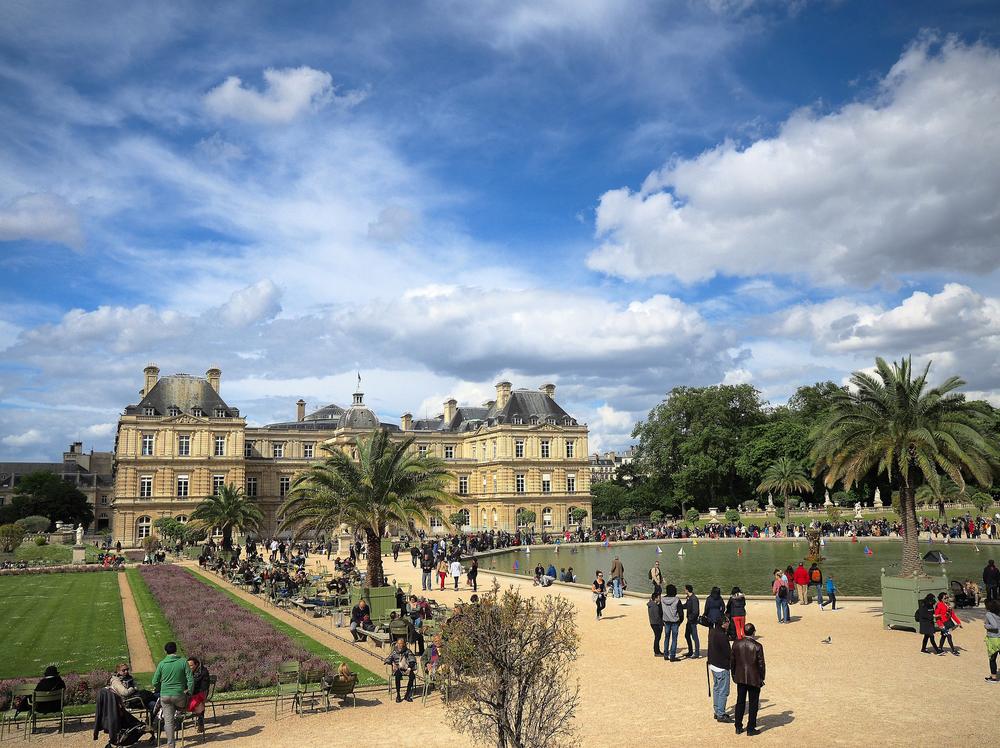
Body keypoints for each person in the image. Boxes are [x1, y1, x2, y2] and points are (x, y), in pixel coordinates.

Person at [151, 642, 194, 748]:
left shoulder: (162, 664)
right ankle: (179, 717)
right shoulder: (183, 662)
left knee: (168, 721)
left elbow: (154, 682)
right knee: (181, 708)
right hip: (179, 696)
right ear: (176, 650)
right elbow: (190, 679)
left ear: (165, 651)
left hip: (165, 696)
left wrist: (162, 687)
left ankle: (171, 744)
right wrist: (189, 691)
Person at [730, 622, 765, 736]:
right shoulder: (757, 646)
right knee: (753, 703)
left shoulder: (736, 644)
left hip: (740, 677)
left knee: (740, 702)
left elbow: (733, 662)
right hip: (754, 678)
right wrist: (761, 677)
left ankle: (738, 727)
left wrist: (734, 675)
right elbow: (761, 664)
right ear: (754, 632)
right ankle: (750, 728)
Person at [708, 616, 732, 723]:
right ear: (723, 623)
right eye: (727, 622)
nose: (729, 624)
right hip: (722, 667)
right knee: (723, 691)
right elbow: (728, 653)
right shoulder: (722, 636)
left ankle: (717, 710)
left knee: (716, 689)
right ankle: (721, 714)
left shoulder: (712, 632)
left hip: (713, 665)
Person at [384, 638, 417, 702]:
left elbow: (412, 660)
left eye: (401, 643)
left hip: (407, 668)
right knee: (397, 676)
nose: (399, 645)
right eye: (398, 643)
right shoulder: (394, 652)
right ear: (397, 644)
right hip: (398, 669)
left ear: (404, 644)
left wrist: (409, 668)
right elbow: (387, 660)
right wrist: (392, 663)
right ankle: (398, 695)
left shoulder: (408, 651)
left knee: (412, 676)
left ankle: (407, 694)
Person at [186, 657, 210, 733]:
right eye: (188, 666)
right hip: (192, 692)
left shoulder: (203, 672)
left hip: (201, 692)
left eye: (191, 665)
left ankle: (201, 724)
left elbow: (202, 686)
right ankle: (178, 722)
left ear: (196, 664)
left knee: (199, 701)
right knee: (178, 698)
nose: (189, 668)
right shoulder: (190, 672)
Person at [661, 584, 683, 662]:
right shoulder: (677, 600)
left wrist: (662, 620)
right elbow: (681, 613)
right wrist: (680, 621)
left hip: (666, 621)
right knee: (674, 639)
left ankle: (665, 654)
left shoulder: (662, 599)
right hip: (675, 622)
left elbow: (660, 611)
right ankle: (672, 656)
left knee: (666, 638)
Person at [984, 598, 1000, 682]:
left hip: (994, 639)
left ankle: (993, 677)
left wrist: (986, 626)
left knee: (992, 659)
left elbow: (994, 626)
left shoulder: (989, 614)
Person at [683, 584, 701, 659]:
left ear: (687, 590)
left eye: (685, 589)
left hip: (692, 621)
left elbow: (696, 611)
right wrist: (678, 606)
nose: (684, 590)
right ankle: (690, 651)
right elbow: (686, 606)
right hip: (690, 620)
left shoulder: (693, 599)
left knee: (694, 637)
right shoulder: (689, 598)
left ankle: (696, 653)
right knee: (687, 635)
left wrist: (691, 619)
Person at [647, 591, 664, 657]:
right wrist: (662, 623)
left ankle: (657, 651)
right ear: (656, 598)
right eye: (659, 597)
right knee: (657, 638)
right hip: (656, 624)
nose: (660, 598)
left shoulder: (650, 604)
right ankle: (656, 652)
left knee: (657, 637)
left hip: (652, 623)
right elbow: (657, 617)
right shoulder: (655, 606)